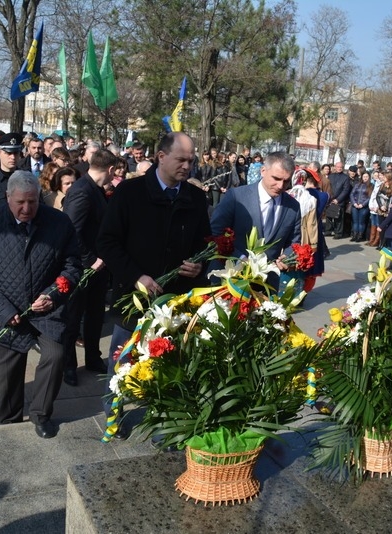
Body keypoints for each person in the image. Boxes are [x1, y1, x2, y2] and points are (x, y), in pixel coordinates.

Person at [96, 132, 211, 437]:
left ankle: (166, 419)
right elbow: (107, 242)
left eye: (191, 160)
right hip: (133, 297)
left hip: (176, 300)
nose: (187, 166)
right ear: (161, 157)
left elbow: (205, 244)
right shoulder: (130, 193)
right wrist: (136, 276)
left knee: (170, 362)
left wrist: (199, 265)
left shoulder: (196, 197)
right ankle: (113, 416)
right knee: (122, 360)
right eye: (181, 159)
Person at [0, 171, 82, 438]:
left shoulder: (59, 222)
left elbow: (73, 265)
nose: (27, 208)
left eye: (33, 202)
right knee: (6, 374)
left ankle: (41, 414)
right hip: (6, 313)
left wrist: (53, 294)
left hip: (46, 311)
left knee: (55, 356)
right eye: (20, 202)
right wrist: (3, 311)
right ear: (7, 198)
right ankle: (8, 419)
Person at [60, 149, 116, 386]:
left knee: (94, 316)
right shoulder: (83, 191)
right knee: (73, 319)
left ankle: (93, 358)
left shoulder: (95, 190)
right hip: (83, 267)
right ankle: (68, 366)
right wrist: (89, 258)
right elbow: (71, 229)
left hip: (98, 268)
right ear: (111, 170)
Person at [210, 151, 301, 289]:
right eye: (276, 178)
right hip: (229, 281)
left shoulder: (293, 206)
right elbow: (215, 233)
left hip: (266, 285)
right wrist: (240, 259)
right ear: (263, 171)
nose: (281, 186)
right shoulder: (236, 196)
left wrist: (288, 257)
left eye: (286, 181)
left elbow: (294, 242)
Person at [327, 162, 352, 239]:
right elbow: (328, 187)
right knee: (329, 216)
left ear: (343, 168)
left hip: (339, 201)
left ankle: (338, 233)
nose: (339, 168)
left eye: (341, 167)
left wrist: (338, 199)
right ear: (335, 167)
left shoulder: (345, 178)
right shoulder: (330, 176)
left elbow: (346, 190)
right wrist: (329, 198)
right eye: (338, 167)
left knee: (339, 217)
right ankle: (328, 231)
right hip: (330, 199)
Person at [349, 170, 371, 242]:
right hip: (355, 205)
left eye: (366, 177)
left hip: (363, 206)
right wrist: (354, 203)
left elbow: (369, 197)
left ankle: (360, 236)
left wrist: (363, 204)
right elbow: (352, 194)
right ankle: (355, 235)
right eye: (364, 176)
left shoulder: (370, 186)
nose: (365, 178)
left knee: (361, 222)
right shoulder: (357, 185)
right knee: (355, 221)